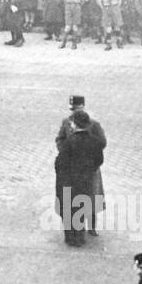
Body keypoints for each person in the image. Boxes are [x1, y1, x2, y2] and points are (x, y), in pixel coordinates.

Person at [55, 95, 105, 236]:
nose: (74, 112)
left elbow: (102, 142)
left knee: (92, 197)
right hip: (74, 167)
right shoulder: (66, 122)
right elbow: (59, 139)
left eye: (77, 108)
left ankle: (92, 227)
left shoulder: (93, 123)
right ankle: (76, 227)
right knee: (76, 197)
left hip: (90, 167)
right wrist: (66, 151)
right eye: (72, 109)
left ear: (83, 106)